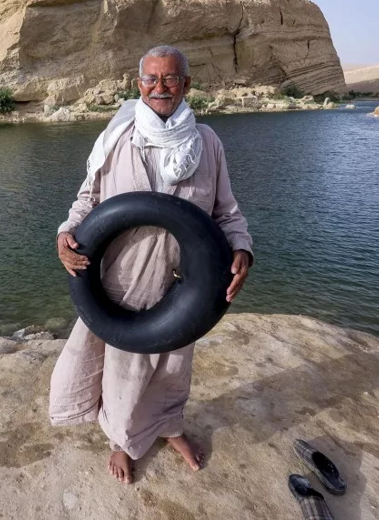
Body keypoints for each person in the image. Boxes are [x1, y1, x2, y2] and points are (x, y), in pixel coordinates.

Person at [49, 45, 254, 484]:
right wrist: (67, 232)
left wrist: (241, 249)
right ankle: (122, 441)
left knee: (173, 370)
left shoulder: (208, 143)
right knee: (125, 370)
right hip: (124, 279)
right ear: (137, 83)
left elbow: (227, 212)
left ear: (187, 84)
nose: (160, 88)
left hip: (186, 284)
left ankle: (169, 428)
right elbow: (89, 199)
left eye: (170, 79)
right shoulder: (118, 137)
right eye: (151, 79)